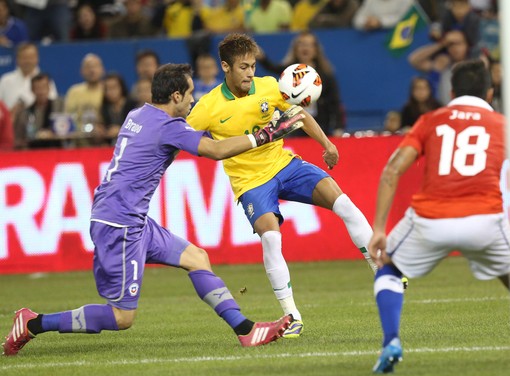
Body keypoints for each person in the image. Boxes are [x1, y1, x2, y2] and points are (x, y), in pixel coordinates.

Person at [1, 63, 308, 356]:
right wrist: (266, 134)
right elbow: (214, 151)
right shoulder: (168, 127)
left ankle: (245, 330)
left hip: (128, 216)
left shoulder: (140, 113)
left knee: (197, 258)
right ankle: (32, 323)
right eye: (189, 94)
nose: (192, 100)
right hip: (119, 223)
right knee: (122, 317)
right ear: (175, 96)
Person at [368, 59, 510, 373]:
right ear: (490, 92)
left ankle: (391, 341)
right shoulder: (504, 125)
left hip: (430, 220)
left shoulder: (430, 120)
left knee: (390, 270)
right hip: (485, 221)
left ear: (451, 90)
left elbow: (392, 169)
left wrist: (379, 227)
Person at [187, 33, 378, 338]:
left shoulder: (269, 86)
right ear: (225, 66)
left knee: (344, 203)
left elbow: (298, 114)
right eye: (243, 67)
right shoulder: (207, 107)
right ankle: (292, 314)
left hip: (284, 165)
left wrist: (326, 144)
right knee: (271, 238)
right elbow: (182, 136)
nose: (250, 73)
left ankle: (379, 268)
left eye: (252, 66)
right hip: (250, 182)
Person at [257, 31, 345, 137]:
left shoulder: (325, 74)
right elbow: (272, 67)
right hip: (295, 125)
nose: (305, 48)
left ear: (316, 49)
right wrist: (261, 57)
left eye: (309, 45)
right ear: (295, 49)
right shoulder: (289, 72)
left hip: (320, 124)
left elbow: (334, 102)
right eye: (301, 44)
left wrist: (338, 127)